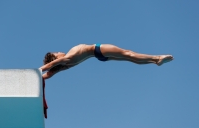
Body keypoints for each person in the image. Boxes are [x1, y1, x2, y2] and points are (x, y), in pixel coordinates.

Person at [39, 44, 173, 79]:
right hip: (98, 50)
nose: (58, 52)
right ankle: (157, 58)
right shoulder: (66, 59)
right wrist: (38, 71)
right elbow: (50, 67)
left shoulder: (65, 65)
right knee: (128, 53)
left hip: (98, 56)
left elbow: (49, 74)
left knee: (129, 58)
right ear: (56, 58)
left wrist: (38, 78)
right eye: (56, 53)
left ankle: (154, 61)